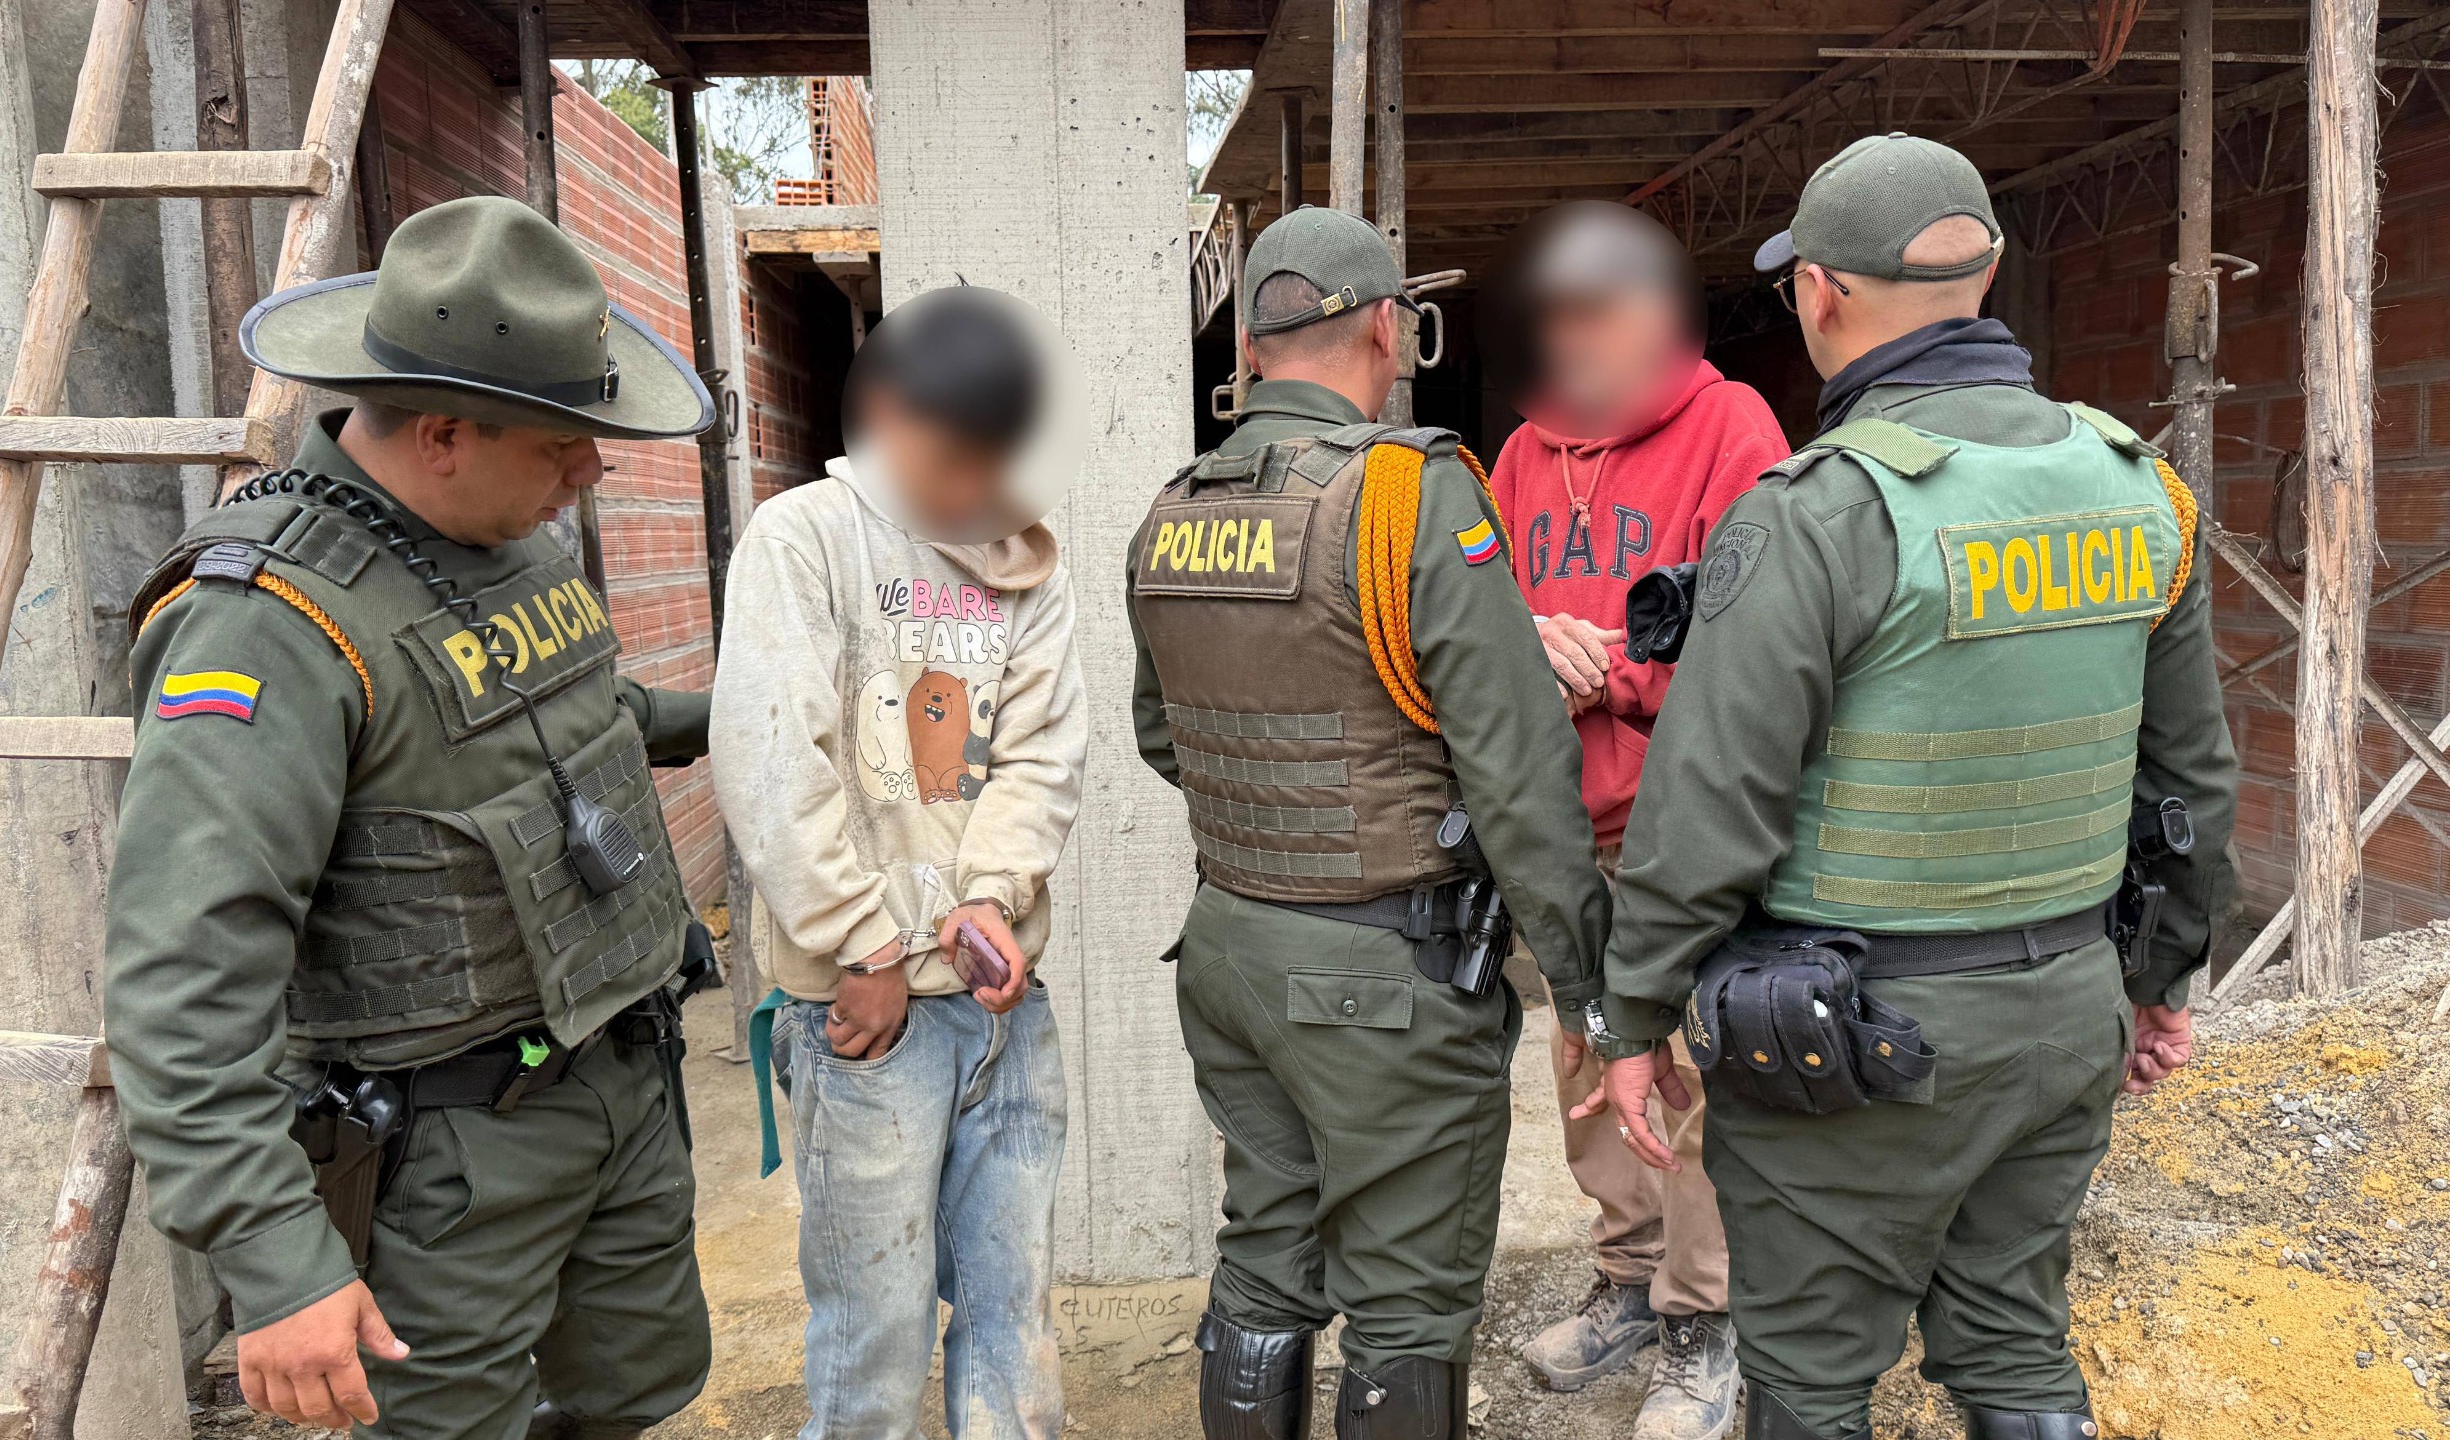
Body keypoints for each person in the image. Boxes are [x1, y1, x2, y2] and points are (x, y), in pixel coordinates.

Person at [1581, 134, 2238, 1440]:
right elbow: (2194, 785)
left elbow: (1708, 812)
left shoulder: (1814, 511)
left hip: (1850, 1043)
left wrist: (1633, 1021)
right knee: (2012, 1346)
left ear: (1820, 294)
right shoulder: (2139, 488)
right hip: (2063, 1019)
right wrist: (2156, 985)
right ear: (1985, 276)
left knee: (1816, 1380)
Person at [106, 194, 722, 1439]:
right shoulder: (268, 623)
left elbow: (575, 718)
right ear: (442, 431)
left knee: (635, 1393)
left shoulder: (497, 533)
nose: (589, 472)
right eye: (561, 445)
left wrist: (737, 712)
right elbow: (185, 973)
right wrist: (276, 1260)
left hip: (612, 1077)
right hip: (443, 1152)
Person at [1128, 206, 1615, 1440]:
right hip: (1383, 980)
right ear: (1391, 328)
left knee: (1266, 1251)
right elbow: (1518, 778)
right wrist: (1594, 996)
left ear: (1247, 346)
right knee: (1406, 1303)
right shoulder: (1410, 496)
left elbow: (1161, 735)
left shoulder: (1175, 508)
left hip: (1231, 950)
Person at [714, 285, 1089, 1440]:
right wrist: (860, 942)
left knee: (1010, 1311)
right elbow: (774, 761)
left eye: (998, 457)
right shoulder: (807, 539)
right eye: (956, 455)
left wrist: (991, 899)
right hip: (866, 1023)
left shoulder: (1025, 555)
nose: (977, 487)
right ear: (890, 417)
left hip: (997, 1008)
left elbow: (1041, 752)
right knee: (872, 1334)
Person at [1482, 201, 1789, 1440]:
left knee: (1691, 1072)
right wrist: (1521, 650)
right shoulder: (1516, 453)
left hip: (1685, 830)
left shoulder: (1734, 430)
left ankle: (1704, 1323)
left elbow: (1759, 648)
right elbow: (1472, 619)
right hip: (1560, 830)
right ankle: (1625, 1278)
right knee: (1583, 1060)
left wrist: (1613, 674)